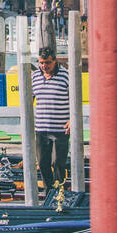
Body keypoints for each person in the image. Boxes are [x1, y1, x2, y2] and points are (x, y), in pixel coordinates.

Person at [32, 47, 70, 192]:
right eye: (41, 63)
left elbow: (75, 99)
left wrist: (72, 119)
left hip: (60, 129)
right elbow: (29, 100)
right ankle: (49, 192)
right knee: (42, 163)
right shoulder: (35, 76)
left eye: (47, 62)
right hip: (41, 128)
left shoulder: (65, 76)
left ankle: (59, 191)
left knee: (58, 162)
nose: (44, 66)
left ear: (55, 61)